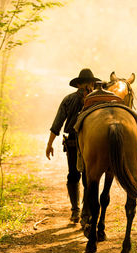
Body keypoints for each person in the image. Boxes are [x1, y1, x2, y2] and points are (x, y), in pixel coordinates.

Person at [46, 68, 100, 224]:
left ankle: (80, 211)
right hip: (75, 143)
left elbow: (56, 125)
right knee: (80, 176)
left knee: (77, 176)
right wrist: (49, 144)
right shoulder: (90, 100)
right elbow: (57, 124)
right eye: (87, 83)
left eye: (88, 83)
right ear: (87, 84)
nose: (87, 86)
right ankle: (79, 211)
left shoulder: (75, 99)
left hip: (81, 143)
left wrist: (50, 144)